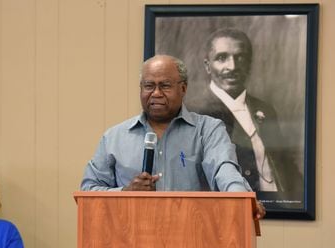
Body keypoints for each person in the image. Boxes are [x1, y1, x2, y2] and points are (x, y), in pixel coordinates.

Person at [80, 54, 265, 219]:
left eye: (165, 86)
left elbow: (224, 170)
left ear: (183, 89)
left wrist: (241, 199)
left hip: (193, 241)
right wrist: (125, 192)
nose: (156, 93)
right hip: (129, 243)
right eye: (149, 86)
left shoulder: (208, 129)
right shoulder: (114, 137)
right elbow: (88, 191)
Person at [185, 28, 303, 193]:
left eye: (240, 57)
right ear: (208, 66)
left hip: (280, 208)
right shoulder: (195, 112)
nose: (232, 67)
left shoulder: (265, 109)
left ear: (249, 63)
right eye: (222, 58)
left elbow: (284, 165)